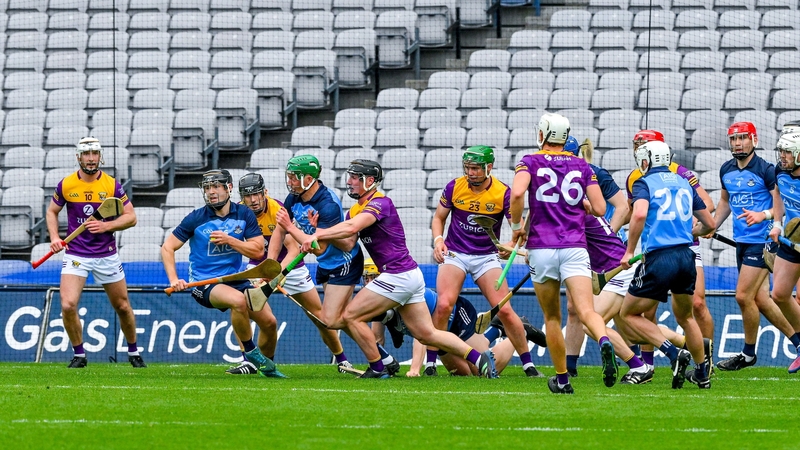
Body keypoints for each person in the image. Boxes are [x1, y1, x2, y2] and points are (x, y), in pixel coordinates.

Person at [299, 159, 498, 378]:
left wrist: (317, 235)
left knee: (350, 316)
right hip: (408, 276)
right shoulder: (354, 210)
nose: (349, 181)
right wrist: (319, 230)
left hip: (397, 275)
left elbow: (353, 227)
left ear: (370, 181)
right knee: (427, 334)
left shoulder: (380, 202)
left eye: (355, 177)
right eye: (350, 177)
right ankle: (480, 359)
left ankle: (379, 367)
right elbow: (347, 242)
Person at [510, 113, 618, 394]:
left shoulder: (529, 161)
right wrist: (579, 203)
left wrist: (516, 226)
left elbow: (518, 193)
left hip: (541, 249)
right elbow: (600, 208)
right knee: (585, 310)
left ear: (543, 134)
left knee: (553, 319)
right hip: (575, 247)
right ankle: (604, 341)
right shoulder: (582, 164)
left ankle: (562, 379)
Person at [272, 155, 400, 376]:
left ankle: (383, 336)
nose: (290, 181)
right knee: (344, 318)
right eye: (289, 177)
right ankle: (384, 358)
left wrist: (295, 230)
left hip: (344, 262)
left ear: (308, 179)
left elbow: (319, 247)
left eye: (294, 177)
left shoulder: (327, 204)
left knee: (332, 319)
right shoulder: (294, 198)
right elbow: (280, 230)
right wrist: (271, 265)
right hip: (326, 264)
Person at [430, 145, 542, 378]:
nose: (470, 173)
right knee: (443, 305)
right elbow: (439, 218)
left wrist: (511, 246)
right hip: (456, 254)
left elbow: (517, 231)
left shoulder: (503, 193)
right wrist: (439, 240)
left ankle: (528, 365)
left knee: (505, 311)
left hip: (486, 257)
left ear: (488, 167)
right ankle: (431, 363)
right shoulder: (454, 187)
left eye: (475, 168)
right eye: (468, 168)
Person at [161, 169, 285, 378]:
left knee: (270, 323)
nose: (211, 192)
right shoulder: (196, 218)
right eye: (208, 188)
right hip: (204, 284)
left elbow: (258, 250)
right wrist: (174, 279)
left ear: (228, 188)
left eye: (216, 187)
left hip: (236, 279)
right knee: (238, 301)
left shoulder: (244, 214)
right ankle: (251, 353)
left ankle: (267, 367)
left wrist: (231, 240)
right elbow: (167, 247)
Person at [225, 173, 354, 375]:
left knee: (318, 316)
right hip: (258, 268)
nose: (253, 200)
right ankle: (249, 361)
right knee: (240, 305)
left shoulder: (277, 208)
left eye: (257, 194)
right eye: (248, 196)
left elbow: (293, 249)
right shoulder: (240, 213)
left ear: (264, 192)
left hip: (292, 267)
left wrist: (276, 274)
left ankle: (342, 360)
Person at [618, 141, 716, 389]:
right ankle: (702, 373)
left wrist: (630, 250)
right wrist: (695, 230)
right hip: (686, 256)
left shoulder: (644, 182)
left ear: (647, 160)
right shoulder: (683, 181)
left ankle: (673, 353)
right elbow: (709, 224)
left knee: (628, 313)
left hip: (660, 258)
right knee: (686, 317)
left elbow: (639, 214)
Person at [46, 137, 144, 368]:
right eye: (86, 154)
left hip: (106, 254)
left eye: (95, 154)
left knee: (122, 306)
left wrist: (106, 226)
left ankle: (133, 351)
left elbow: (131, 217)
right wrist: (54, 237)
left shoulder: (111, 185)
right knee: (68, 304)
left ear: (100, 156)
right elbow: (52, 212)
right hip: (76, 254)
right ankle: (79, 354)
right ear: (79, 157)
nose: (91, 158)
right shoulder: (66, 185)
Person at [713, 122, 797, 371]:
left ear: (754, 140)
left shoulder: (767, 170)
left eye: (742, 138)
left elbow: (779, 202)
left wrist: (766, 216)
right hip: (742, 241)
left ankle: (748, 353)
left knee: (743, 296)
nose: (738, 143)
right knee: (762, 300)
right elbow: (725, 202)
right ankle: (798, 342)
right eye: (733, 139)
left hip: (763, 242)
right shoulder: (726, 170)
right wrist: (712, 225)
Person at [364, 265, 547, 377]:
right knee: (463, 373)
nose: (369, 282)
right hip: (439, 335)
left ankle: (520, 331)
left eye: (374, 277)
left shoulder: (401, 293)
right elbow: (376, 339)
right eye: (366, 278)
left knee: (480, 371)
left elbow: (423, 334)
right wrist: (382, 364)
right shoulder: (378, 302)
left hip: (456, 317)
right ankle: (496, 330)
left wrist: (415, 368)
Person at [561, 136, 635, 378]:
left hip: (603, 253)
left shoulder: (595, 174)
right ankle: (570, 366)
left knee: (626, 317)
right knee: (574, 308)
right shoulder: (550, 175)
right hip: (576, 250)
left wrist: (606, 234)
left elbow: (623, 207)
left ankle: (644, 362)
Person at [763, 133, 800, 373]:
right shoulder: (779, 170)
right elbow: (777, 193)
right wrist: (777, 223)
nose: (782, 157)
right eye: (781, 151)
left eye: (787, 152)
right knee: (779, 294)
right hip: (792, 241)